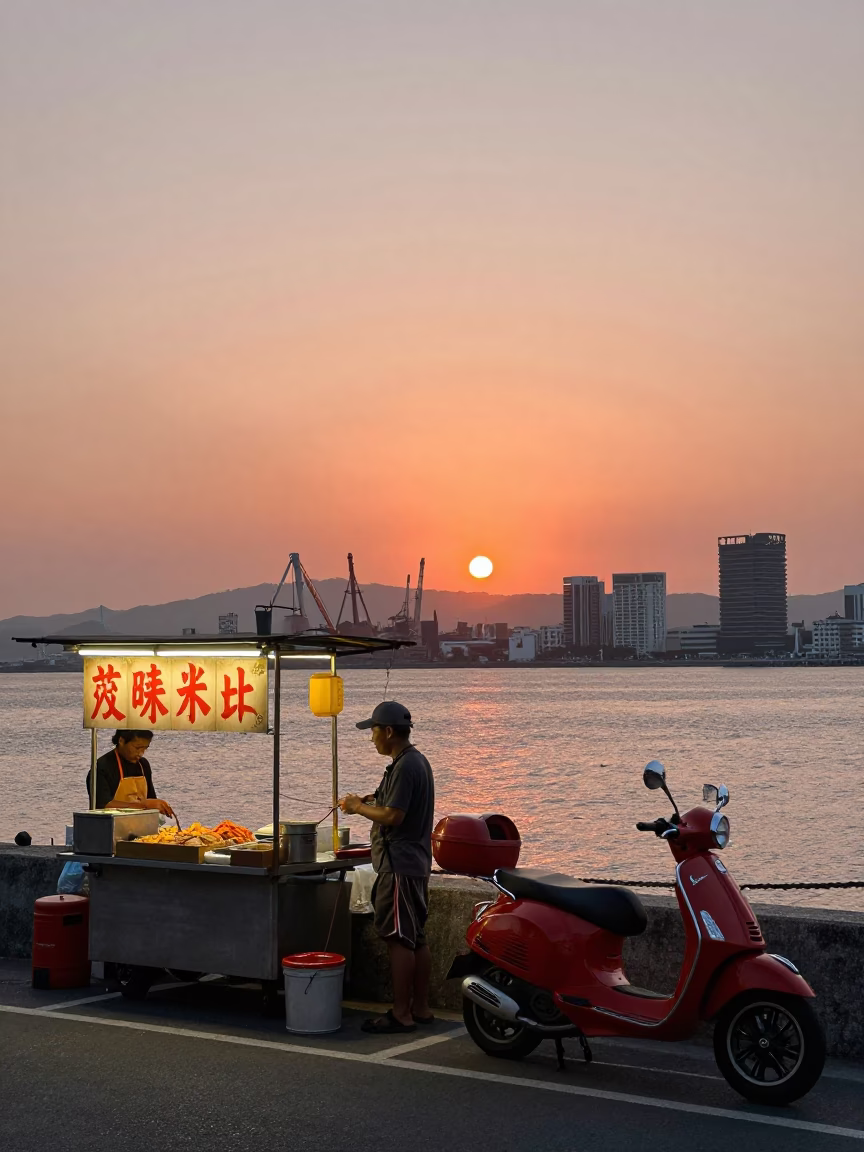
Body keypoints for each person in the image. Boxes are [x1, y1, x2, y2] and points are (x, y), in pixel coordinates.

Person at [340, 700, 435, 1034]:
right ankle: (421, 1008)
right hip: (416, 863)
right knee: (416, 938)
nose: (372, 739)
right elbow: (392, 802)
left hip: (399, 866)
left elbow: (394, 815)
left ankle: (401, 1013)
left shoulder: (406, 766)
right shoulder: (415, 762)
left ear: (389, 731)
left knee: (398, 939)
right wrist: (370, 799)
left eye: (375, 731)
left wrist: (356, 807)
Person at [86, 729, 176, 818]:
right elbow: (103, 806)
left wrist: (159, 805)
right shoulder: (102, 767)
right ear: (121, 741)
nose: (141, 754)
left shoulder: (143, 765)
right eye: (137, 748)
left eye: (145, 748)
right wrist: (145, 805)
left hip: (141, 825)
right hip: (109, 825)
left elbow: (151, 798)